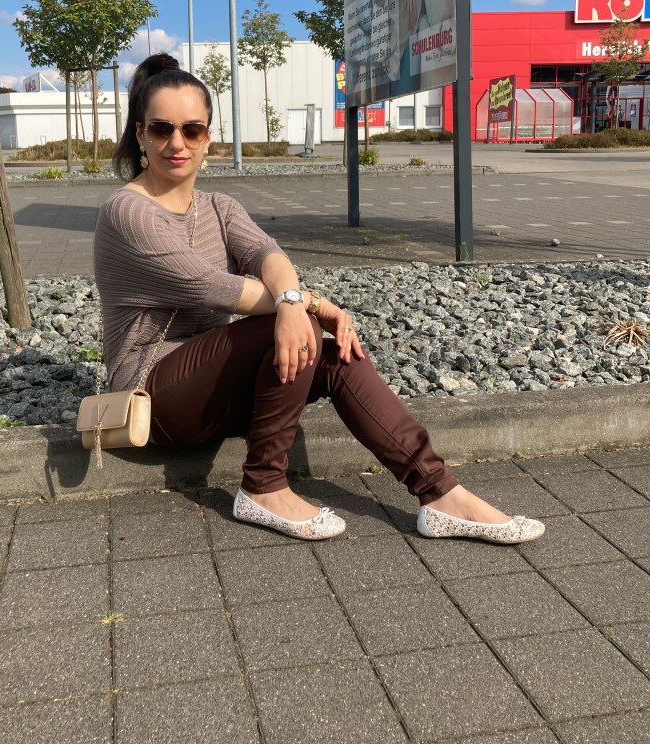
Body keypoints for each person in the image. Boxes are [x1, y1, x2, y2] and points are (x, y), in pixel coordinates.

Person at [93, 53, 545, 545]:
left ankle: (439, 493)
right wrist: (305, 307)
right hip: (154, 390)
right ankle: (263, 487)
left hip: (215, 383)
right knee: (297, 328)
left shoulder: (220, 207)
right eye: (162, 129)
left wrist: (294, 300)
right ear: (139, 135)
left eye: (193, 131)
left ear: (208, 140)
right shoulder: (128, 212)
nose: (177, 143)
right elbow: (210, 286)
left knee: (336, 358)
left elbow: (270, 255)